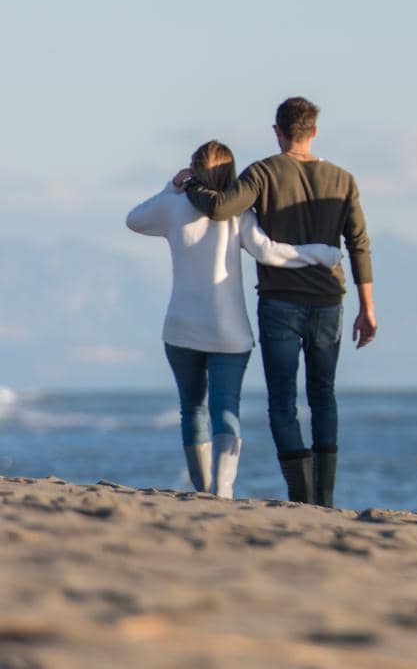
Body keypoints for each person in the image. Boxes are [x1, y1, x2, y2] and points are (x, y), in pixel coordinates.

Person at [181, 97, 375, 507]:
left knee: (282, 400)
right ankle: (324, 496)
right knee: (324, 394)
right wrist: (368, 308)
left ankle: (300, 495)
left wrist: (192, 184)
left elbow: (220, 209)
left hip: (280, 303)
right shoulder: (343, 180)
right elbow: (358, 244)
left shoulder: (263, 172)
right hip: (329, 302)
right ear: (314, 131)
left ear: (278, 131)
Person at [128, 141, 341, 499]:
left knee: (192, 409)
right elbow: (269, 253)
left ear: (194, 169)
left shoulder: (171, 207)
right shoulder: (238, 215)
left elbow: (134, 220)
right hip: (230, 332)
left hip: (181, 328)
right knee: (226, 409)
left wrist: (171, 186)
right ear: (230, 172)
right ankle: (223, 492)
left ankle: (204, 490)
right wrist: (321, 254)